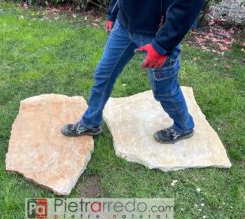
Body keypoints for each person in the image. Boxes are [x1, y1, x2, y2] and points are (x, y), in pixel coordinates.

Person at [61, 0, 205, 144]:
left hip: (158, 34)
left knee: (164, 90)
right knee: (103, 74)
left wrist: (162, 45)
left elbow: (189, 4)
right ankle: (89, 123)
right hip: (124, 26)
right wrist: (113, 13)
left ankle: (184, 126)